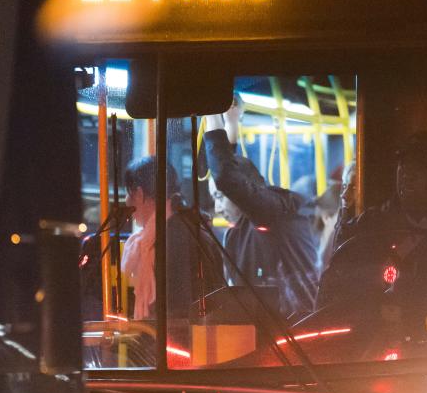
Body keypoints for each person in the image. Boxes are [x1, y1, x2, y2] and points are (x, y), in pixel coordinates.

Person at [317, 130, 427, 308]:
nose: (407, 174)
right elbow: (336, 285)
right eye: (403, 164)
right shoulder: (370, 226)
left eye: (421, 165)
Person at [204, 103, 319, 319]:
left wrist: (212, 113)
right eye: (214, 199)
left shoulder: (277, 211)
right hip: (259, 330)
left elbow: (228, 179)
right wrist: (231, 123)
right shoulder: (237, 231)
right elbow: (231, 175)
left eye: (219, 198)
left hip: (295, 329)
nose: (217, 208)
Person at [118, 157, 222, 321]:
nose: (126, 201)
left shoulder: (172, 236)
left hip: (181, 341)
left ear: (139, 193)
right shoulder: (182, 225)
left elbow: (177, 309)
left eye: (127, 192)